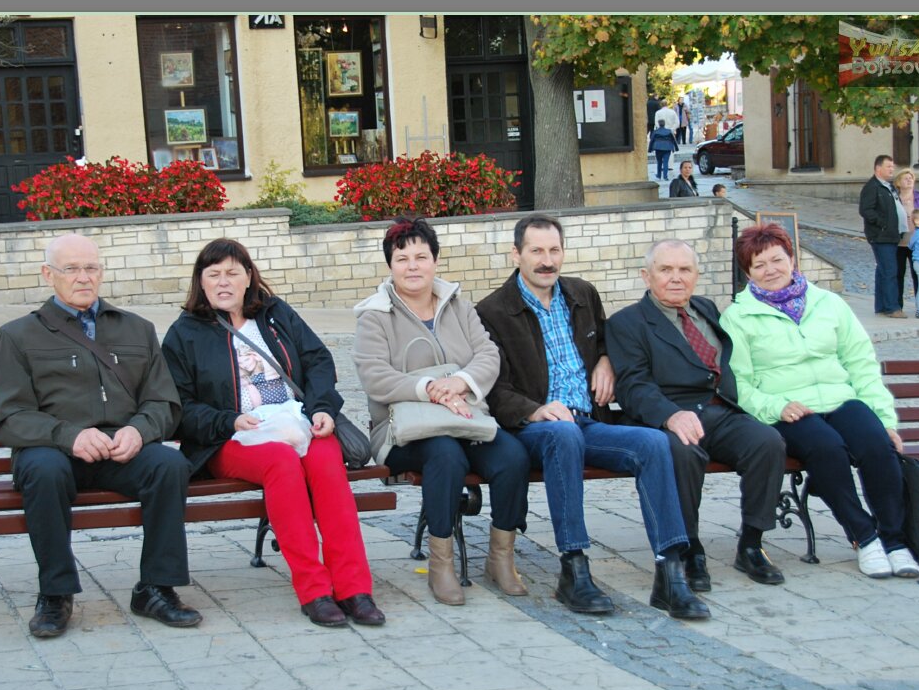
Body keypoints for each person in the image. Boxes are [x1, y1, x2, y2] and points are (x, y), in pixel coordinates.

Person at [476, 214, 710, 620]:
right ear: (516, 254)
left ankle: (670, 574)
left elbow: (605, 339)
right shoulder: (493, 311)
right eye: (536, 251)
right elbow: (494, 389)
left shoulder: (582, 294)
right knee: (564, 434)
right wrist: (534, 410)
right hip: (534, 430)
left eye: (554, 251)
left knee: (654, 442)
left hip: (590, 421)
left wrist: (605, 361)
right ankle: (574, 567)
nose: (547, 261)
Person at [162, 239, 385, 628]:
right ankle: (314, 590)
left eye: (233, 272)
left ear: (249, 276)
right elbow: (179, 407)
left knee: (326, 462)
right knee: (281, 462)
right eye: (213, 274)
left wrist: (321, 410)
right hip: (230, 439)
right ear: (201, 281)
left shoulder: (275, 314)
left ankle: (353, 589)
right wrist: (228, 421)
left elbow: (318, 361)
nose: (224, 281)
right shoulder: (184, 334)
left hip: (297, 422)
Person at [0, 233, 203, 638]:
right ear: (48, 275)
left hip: (121, 451)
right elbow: (9, 415)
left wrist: (139, 431)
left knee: (169, 464)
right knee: (43, 471)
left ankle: (156, 588)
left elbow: (164, 402)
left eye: (91, 268)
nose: (83, 277)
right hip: (53, 451)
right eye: (71, 269)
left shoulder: (136, 329)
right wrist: (68, 435)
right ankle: (55, 594)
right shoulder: (18, 336)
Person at [719, 223, 919, 579]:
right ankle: (865, 536)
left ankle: (895, 539)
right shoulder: (738, 316)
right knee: (826, 449)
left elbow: (861, 364)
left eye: (777, 260)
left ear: (792, 259)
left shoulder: (829, 303)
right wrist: (775, 406)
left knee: (877, 445)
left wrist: (885, 420)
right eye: (759, 265)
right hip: (789, 408)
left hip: (840, 398)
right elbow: (741, 385)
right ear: (748, 272)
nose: (771, 270)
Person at [352, 218, 532, 606]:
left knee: (513, 457)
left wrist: (461, 383)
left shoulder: (459, 306)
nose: (413, 266)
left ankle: (501, 558)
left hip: (465, 418)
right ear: (390, 265)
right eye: (403, 258)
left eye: (421, 256)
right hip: (403, 430)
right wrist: (430, 389)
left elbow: (488, 354)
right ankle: (441, 564)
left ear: (435, 261)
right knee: (445, 455)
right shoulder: (375, 315)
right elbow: (375, 377)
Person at [606, 239, 787, 592]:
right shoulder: (627, 322)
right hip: (668, 414)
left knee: (767, 442)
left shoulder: (705, 308)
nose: (676, 278)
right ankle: (690, 548)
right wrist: (670, 415)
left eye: (685, 270)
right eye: (666, 270)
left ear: (697, 275)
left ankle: (751, 543)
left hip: (719, 411)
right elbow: (633, 385)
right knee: (682, 452)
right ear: (647, 276)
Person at [858, 154, 908, 318]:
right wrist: (883, 224)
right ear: (878, 168)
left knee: (883, 270)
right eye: (888, 166)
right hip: (881, 236)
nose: (892, 169)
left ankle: (881, 306)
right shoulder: (872, 187)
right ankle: (892, 307)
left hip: (892, 235)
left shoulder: (889, 186)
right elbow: (866, 210)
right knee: (889, 270)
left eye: (892, 167)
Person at [893, 167, 919, 310]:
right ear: (898, 182)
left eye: (911, 177)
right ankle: (897, 306)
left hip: (918, 244)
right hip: (899, 244)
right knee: (898, 275)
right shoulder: (893, 198)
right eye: (906, 177)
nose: (910, 179)